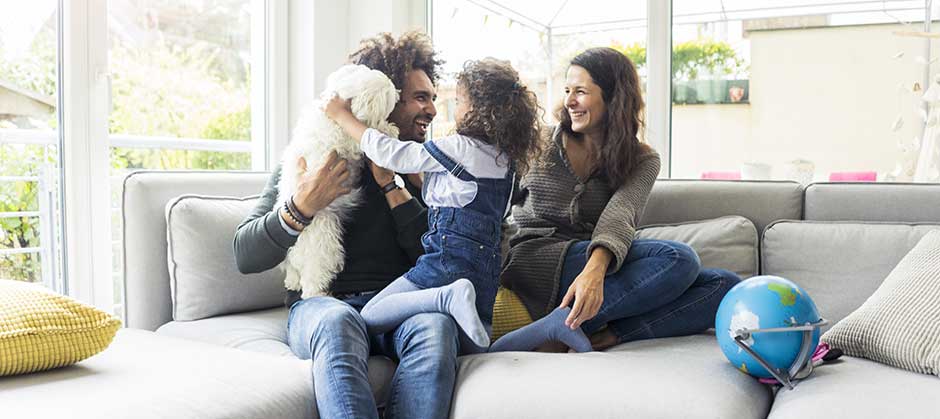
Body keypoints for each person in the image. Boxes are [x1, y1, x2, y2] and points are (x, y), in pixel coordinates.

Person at [233, 31, 456, 419]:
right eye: (421, 97)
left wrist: (391, 185)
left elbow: (436, 259)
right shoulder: (311, 157)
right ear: (383, 97)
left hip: (398, 304)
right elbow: (244, 254)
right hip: (324, 305)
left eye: (433, 98)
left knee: (436, 327)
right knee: (338, 321)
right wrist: (303, 205)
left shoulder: (424, 170)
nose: (433, 110)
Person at [491, 47, 742, 353]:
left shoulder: (642, 159)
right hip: (534, 260)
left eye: (581, 91)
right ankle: (566, 324)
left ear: (613, 97)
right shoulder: (538, 142)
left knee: (725, 286)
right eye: (568, 90)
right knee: (679, 259)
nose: (569, 101)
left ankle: (601, 332)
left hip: (595, 264)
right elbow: (495, 202)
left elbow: (621, 213)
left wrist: (594, 273)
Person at [324, 58, 542, 351]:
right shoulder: (506, 162)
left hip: (446, 264)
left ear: (477, 109)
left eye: (460, 101)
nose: (451, 109)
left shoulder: (458, 147)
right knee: (480, 347)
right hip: (485, 272)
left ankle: (445, 297)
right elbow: (473, 201)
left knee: (371, 315)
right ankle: (551, 328)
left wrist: (342, 116)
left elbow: (392, 154)